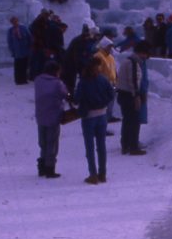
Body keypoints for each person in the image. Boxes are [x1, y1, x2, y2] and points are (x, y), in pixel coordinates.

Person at [74, 56, 114, 184]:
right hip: (102, 115)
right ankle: (103, 173)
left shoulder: (84, 82)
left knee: (89, 147)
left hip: (89, 116)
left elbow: (77, 98)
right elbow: (111, 95)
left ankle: (93, 175)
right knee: (101, 146)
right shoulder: (103, 79)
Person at [34, 60, 69, 178]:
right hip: (53, 116)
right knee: (52, 143)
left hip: (40, 115)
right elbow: (65, 94)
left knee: (42, 142)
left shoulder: (38, 80)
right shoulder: (57, 83)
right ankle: (50, 168)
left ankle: (42, 166)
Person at [116, 40, 151, 155]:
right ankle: (133, 147)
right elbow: (134, 82)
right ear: (142, 52)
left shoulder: (127, 61)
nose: (146, 57)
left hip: (123, 94)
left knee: (127, 121)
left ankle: (125, 145)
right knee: (134, 122)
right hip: (130, 96)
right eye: (146, 54)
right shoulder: (134, 63)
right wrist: (136, 96)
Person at [7, 16, 31, 85]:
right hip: (17, 52)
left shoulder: (24, 28)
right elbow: (10, 42)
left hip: (25, 50)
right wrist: (12, 51)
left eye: (15, 21)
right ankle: (18, 80)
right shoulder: (10, 31)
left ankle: (24, 79)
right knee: (17, 66)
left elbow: (29, 37)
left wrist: (30, 46)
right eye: (13, 22)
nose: (14, 23)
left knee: (25, 65)